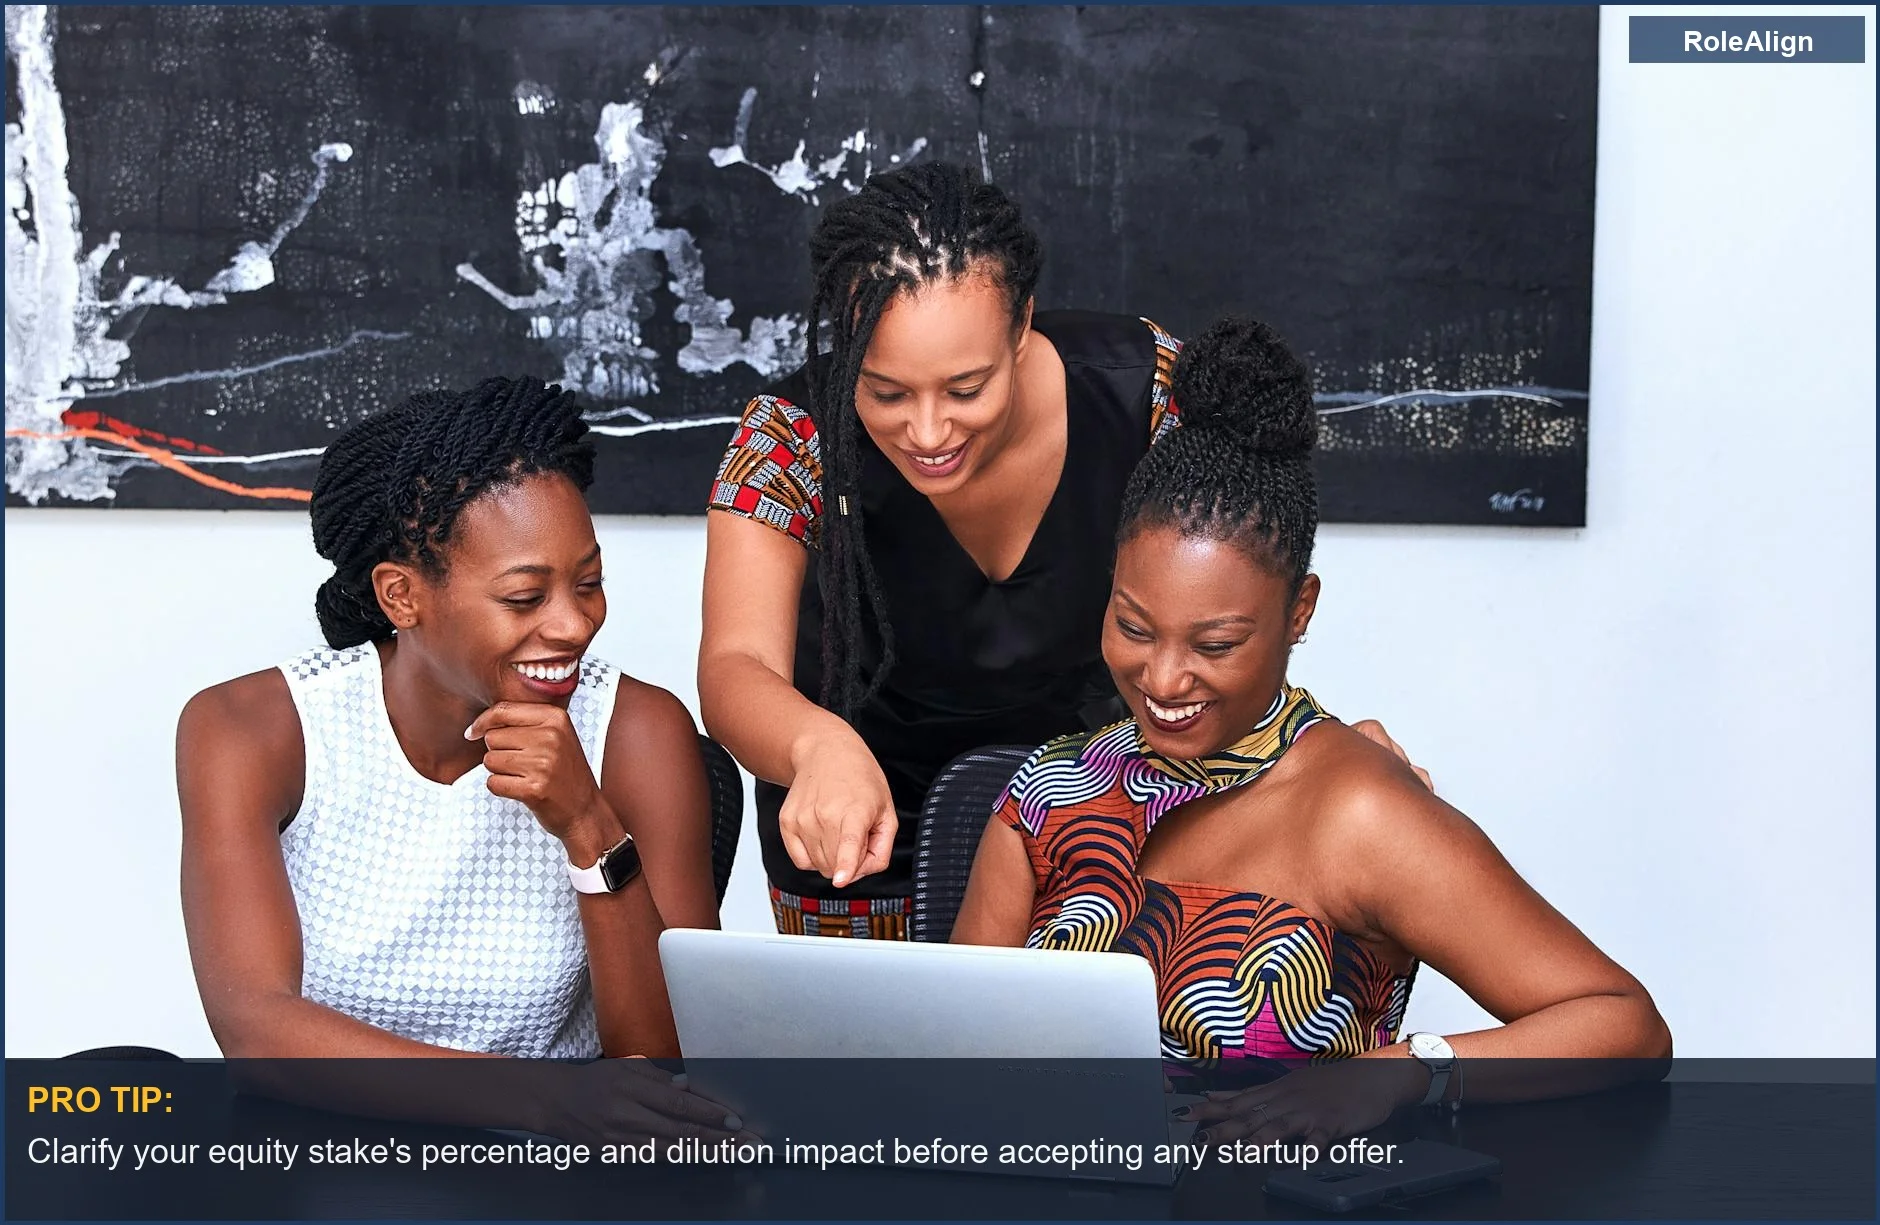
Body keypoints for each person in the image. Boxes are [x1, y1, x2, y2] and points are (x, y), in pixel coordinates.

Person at [952, 317, 1671, 1141]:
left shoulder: (1359, 810)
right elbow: (963, 1059)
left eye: (1215, 643)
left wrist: (1397, 1077)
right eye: (1134, 626)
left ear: (1300, 611)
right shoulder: (1048, 791)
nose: (1163, 677)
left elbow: (1623, 1022)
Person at [699, 161, 1423, 937]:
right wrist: (815, 745)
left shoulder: (1147, 395)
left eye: (966, 387)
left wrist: (1313, 751)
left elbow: (1235, 591)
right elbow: (734, 667)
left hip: (1088, 835)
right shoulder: (790, 436)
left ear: (1022, 327)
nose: (930, 431)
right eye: (885, 392)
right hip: (854, 846)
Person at [177, 377, 737, 1139]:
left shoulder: (637, 730)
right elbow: (256, 1031)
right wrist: (548, 1100)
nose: (573, 624)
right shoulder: (253, 730)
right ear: (402, 595)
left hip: (550, 1179)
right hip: (327, 1156)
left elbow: (664, 1059)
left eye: (589, 583)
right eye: (523, 596)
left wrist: (588, 826)